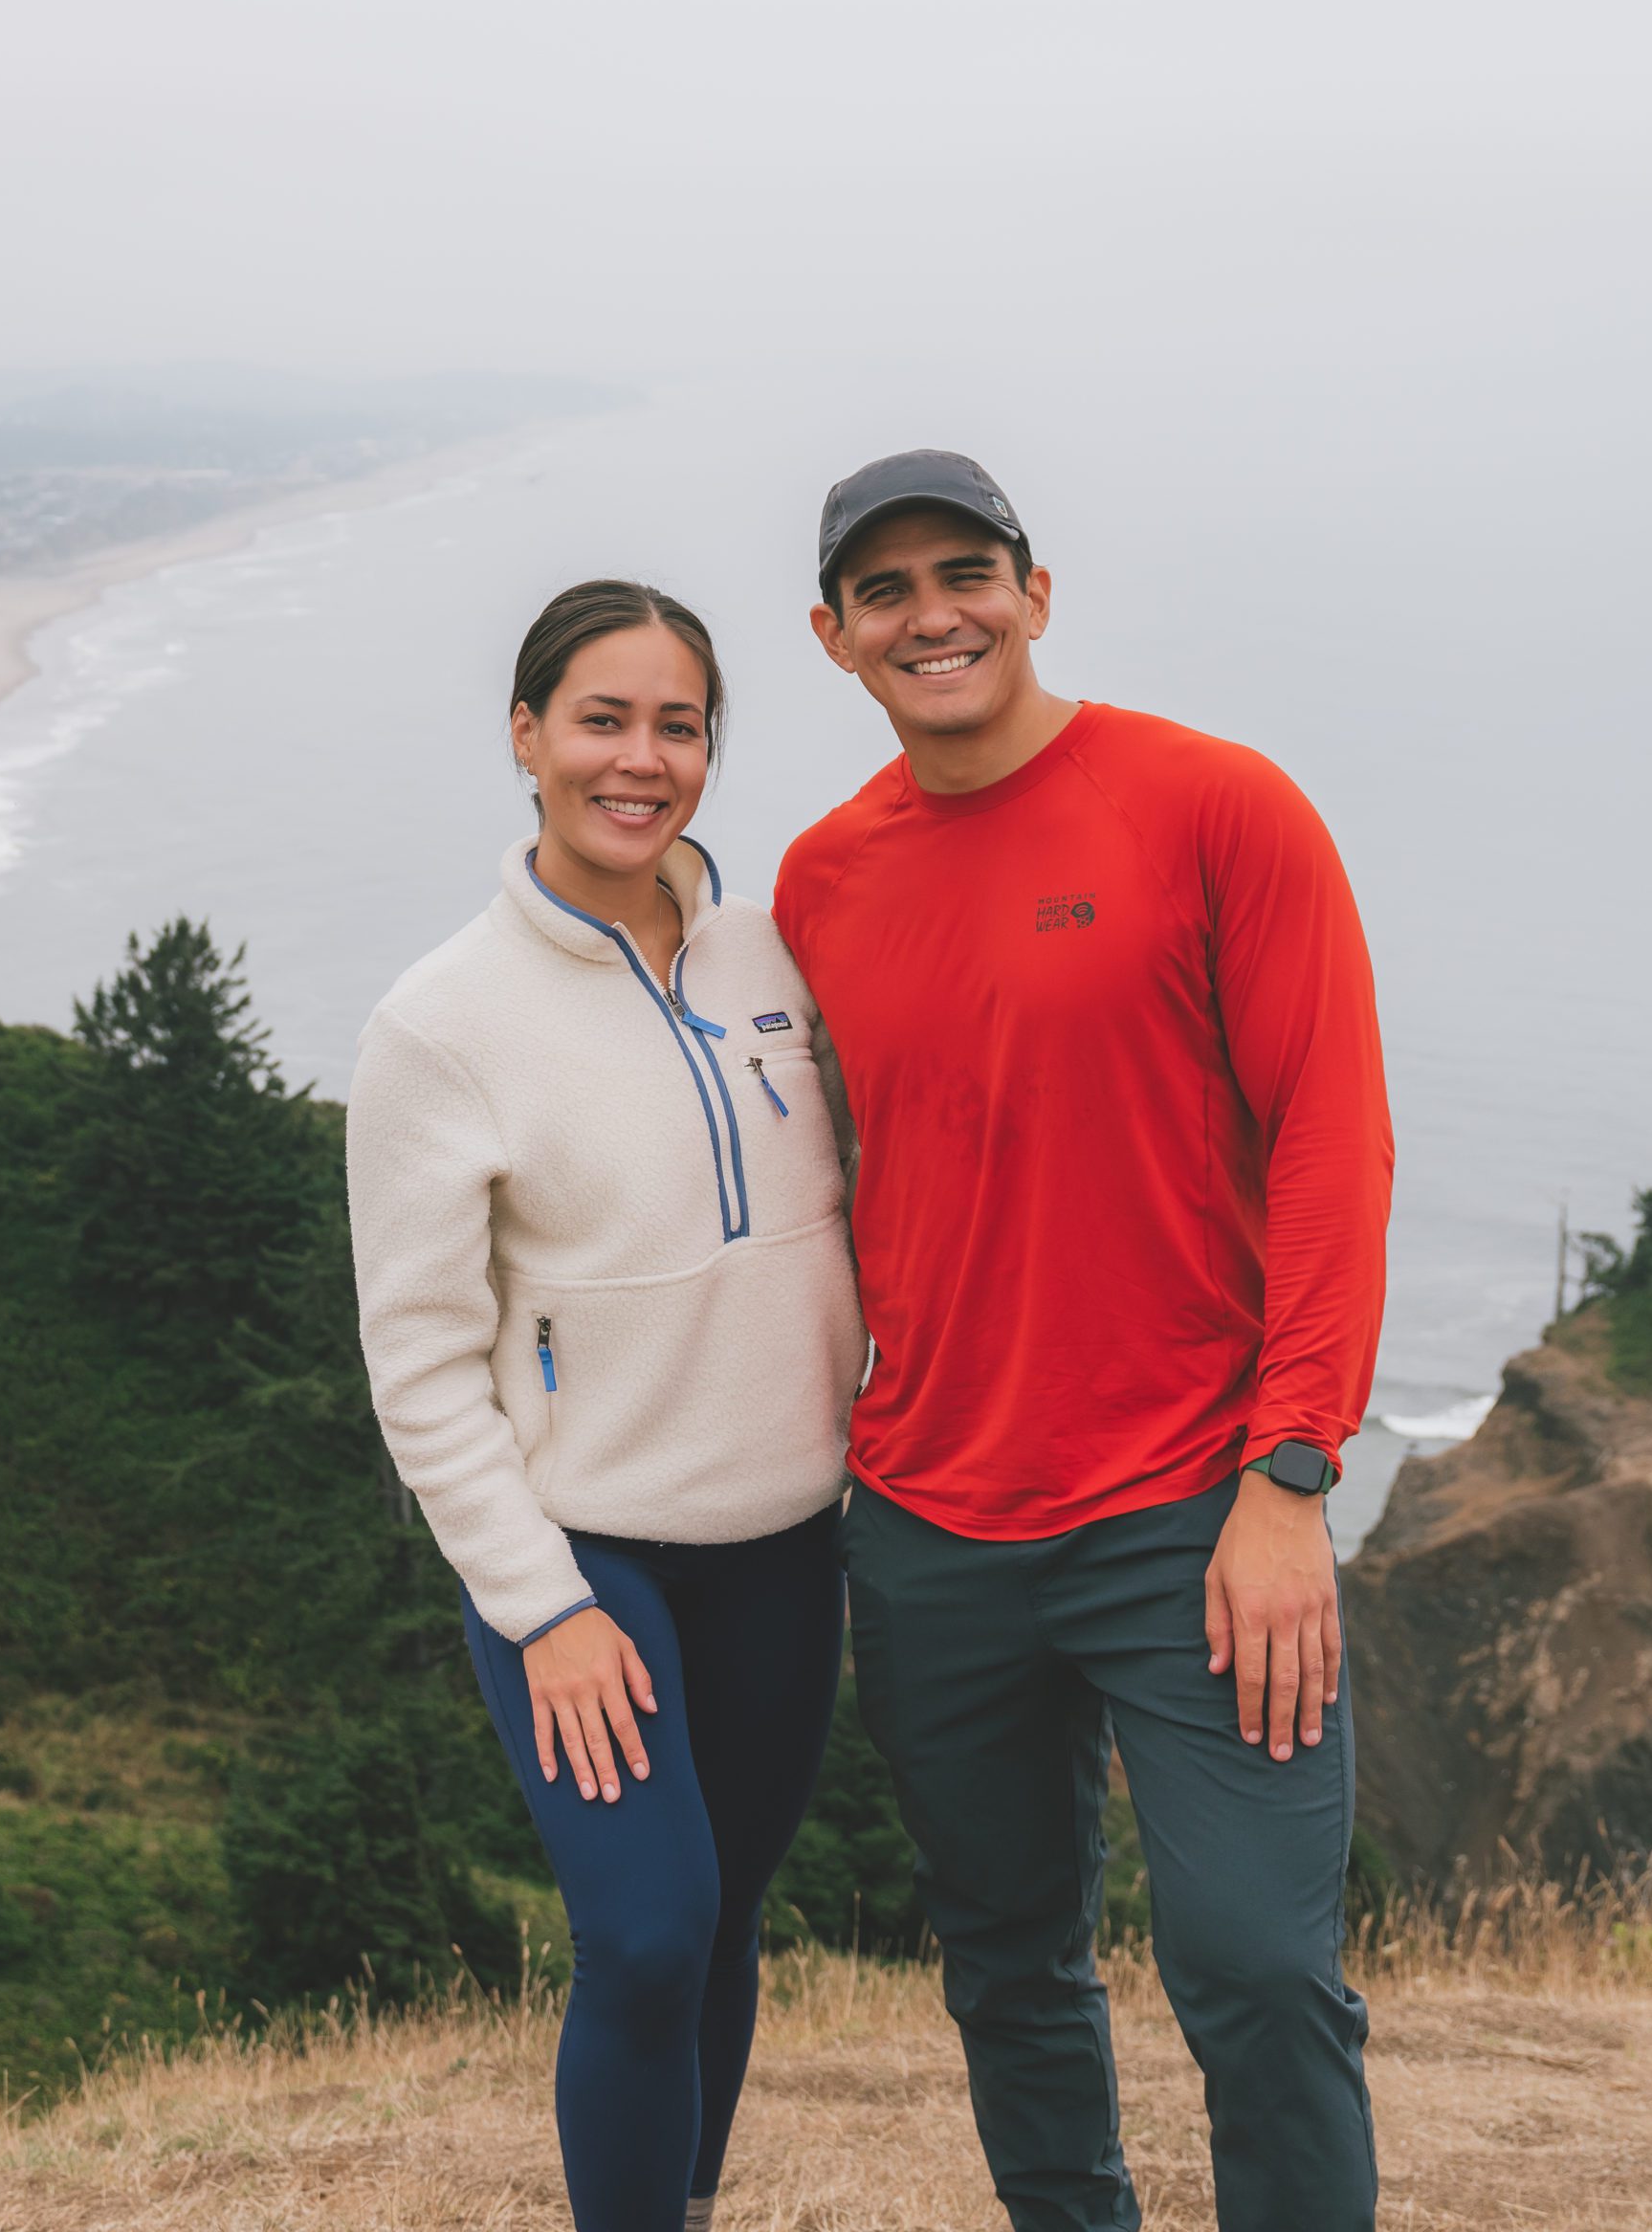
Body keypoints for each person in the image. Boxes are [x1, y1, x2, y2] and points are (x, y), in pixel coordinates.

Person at [773, 453, 1393, 2232]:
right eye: (884, 593)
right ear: (834, 638)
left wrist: (1292, 1471)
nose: (932, 614)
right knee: (1008, 1965)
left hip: (1193, 1505)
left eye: (966, 574)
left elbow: (1335, 1141)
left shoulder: (1216, 806)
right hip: (928, 1522)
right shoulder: (821, 881)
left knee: (1259, 1968)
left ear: (1037, 593)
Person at [345, 580, 864, 2232]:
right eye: (601, 718)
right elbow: (421, 1365)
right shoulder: (441, 1024)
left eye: (680, 724)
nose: (641, 759)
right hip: (588, 1566)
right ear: (526, 736)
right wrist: (543, 1605)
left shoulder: (776, 955)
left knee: (723, 1916)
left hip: (790, 1539)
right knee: (645, 1930)